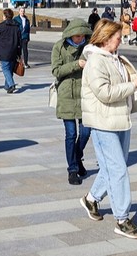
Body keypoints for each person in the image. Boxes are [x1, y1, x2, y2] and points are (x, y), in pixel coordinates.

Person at [79, 19, 137, 240]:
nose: (121, 40)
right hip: (104, 122)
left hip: (121, 118)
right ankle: (122, 219)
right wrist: (133, 86)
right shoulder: (95, 61)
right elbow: (105, 93)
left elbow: (123, 80)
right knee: (118, 169)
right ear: (106, 38)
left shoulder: (115, 58)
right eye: (118, 37)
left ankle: (91, 199)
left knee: (114, 166)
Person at [51, 19, 92, 186]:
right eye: (77, 36)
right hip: (67, 94)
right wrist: (77, 64)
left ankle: (76, 157)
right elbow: (56, 71)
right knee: (71, 134)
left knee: (86, 132)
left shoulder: (89, 47)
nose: (80, 38)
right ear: (70, 34)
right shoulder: (59, 47)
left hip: (85, 94)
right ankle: (73, 169)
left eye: (82, 35)